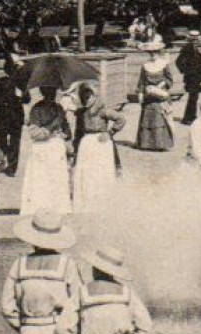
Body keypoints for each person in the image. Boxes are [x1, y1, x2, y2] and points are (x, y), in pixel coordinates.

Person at [19, 86, 74, 218]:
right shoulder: (36, 109)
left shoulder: (59, 108)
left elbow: (67, 130)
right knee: (41, 178)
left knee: (57, 178)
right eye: (48, 92)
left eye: (53, 92)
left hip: (56, 146)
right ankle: (39, 207)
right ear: (43, 93)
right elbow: (34, 133)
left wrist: (64, 133)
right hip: (41, 148)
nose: (51, 95)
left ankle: (57, 208)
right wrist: (51, 128)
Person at [71, 84, 124, 212]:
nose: (87, 100)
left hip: (101, 144)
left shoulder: (102, 110)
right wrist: (75, 149)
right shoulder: (81, 113)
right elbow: (78, 132)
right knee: (88, 174)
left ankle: (101, 202)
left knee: (100, 173)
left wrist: (110, 133)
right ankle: (87, 201)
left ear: (94, 96)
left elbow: (121, 119)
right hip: (86, 145)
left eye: (89, 97)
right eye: (84, 98)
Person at [0, 56, 27, 176]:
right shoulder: (0, 81)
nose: (11, 71)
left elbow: (27, 99)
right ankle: (3, 161)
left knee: (15, 142)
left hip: (16, 116)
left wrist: (21, 94)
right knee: (1, 139)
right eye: (9, 69)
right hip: (1, 115)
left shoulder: (21, 82)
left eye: (13, 69)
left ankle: (12, 168)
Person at [134, 42, 175, 152]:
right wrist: (140, 94)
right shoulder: (145, 65)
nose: (153, 55)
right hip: (149, 96)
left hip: (160, 96)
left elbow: (170, 80)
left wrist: (162, 84)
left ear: (159, 53)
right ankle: (146, 144)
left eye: (155, 53)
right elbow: (141, 81)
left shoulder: (164, 64)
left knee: (160, 118)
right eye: (151, 53)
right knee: (147, 118)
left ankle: (160, 144)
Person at [176, 30, 201, 125]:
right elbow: (178, 61)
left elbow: (195, 61)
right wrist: (186, 71)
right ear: (191, 39)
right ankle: (188, 118)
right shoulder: (187, 48)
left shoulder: (194, 48)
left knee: (194, 97)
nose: (196, 41)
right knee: (192, 97)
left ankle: (191, 116)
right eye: (195, 39)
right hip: (192, 77)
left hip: (196, 76)